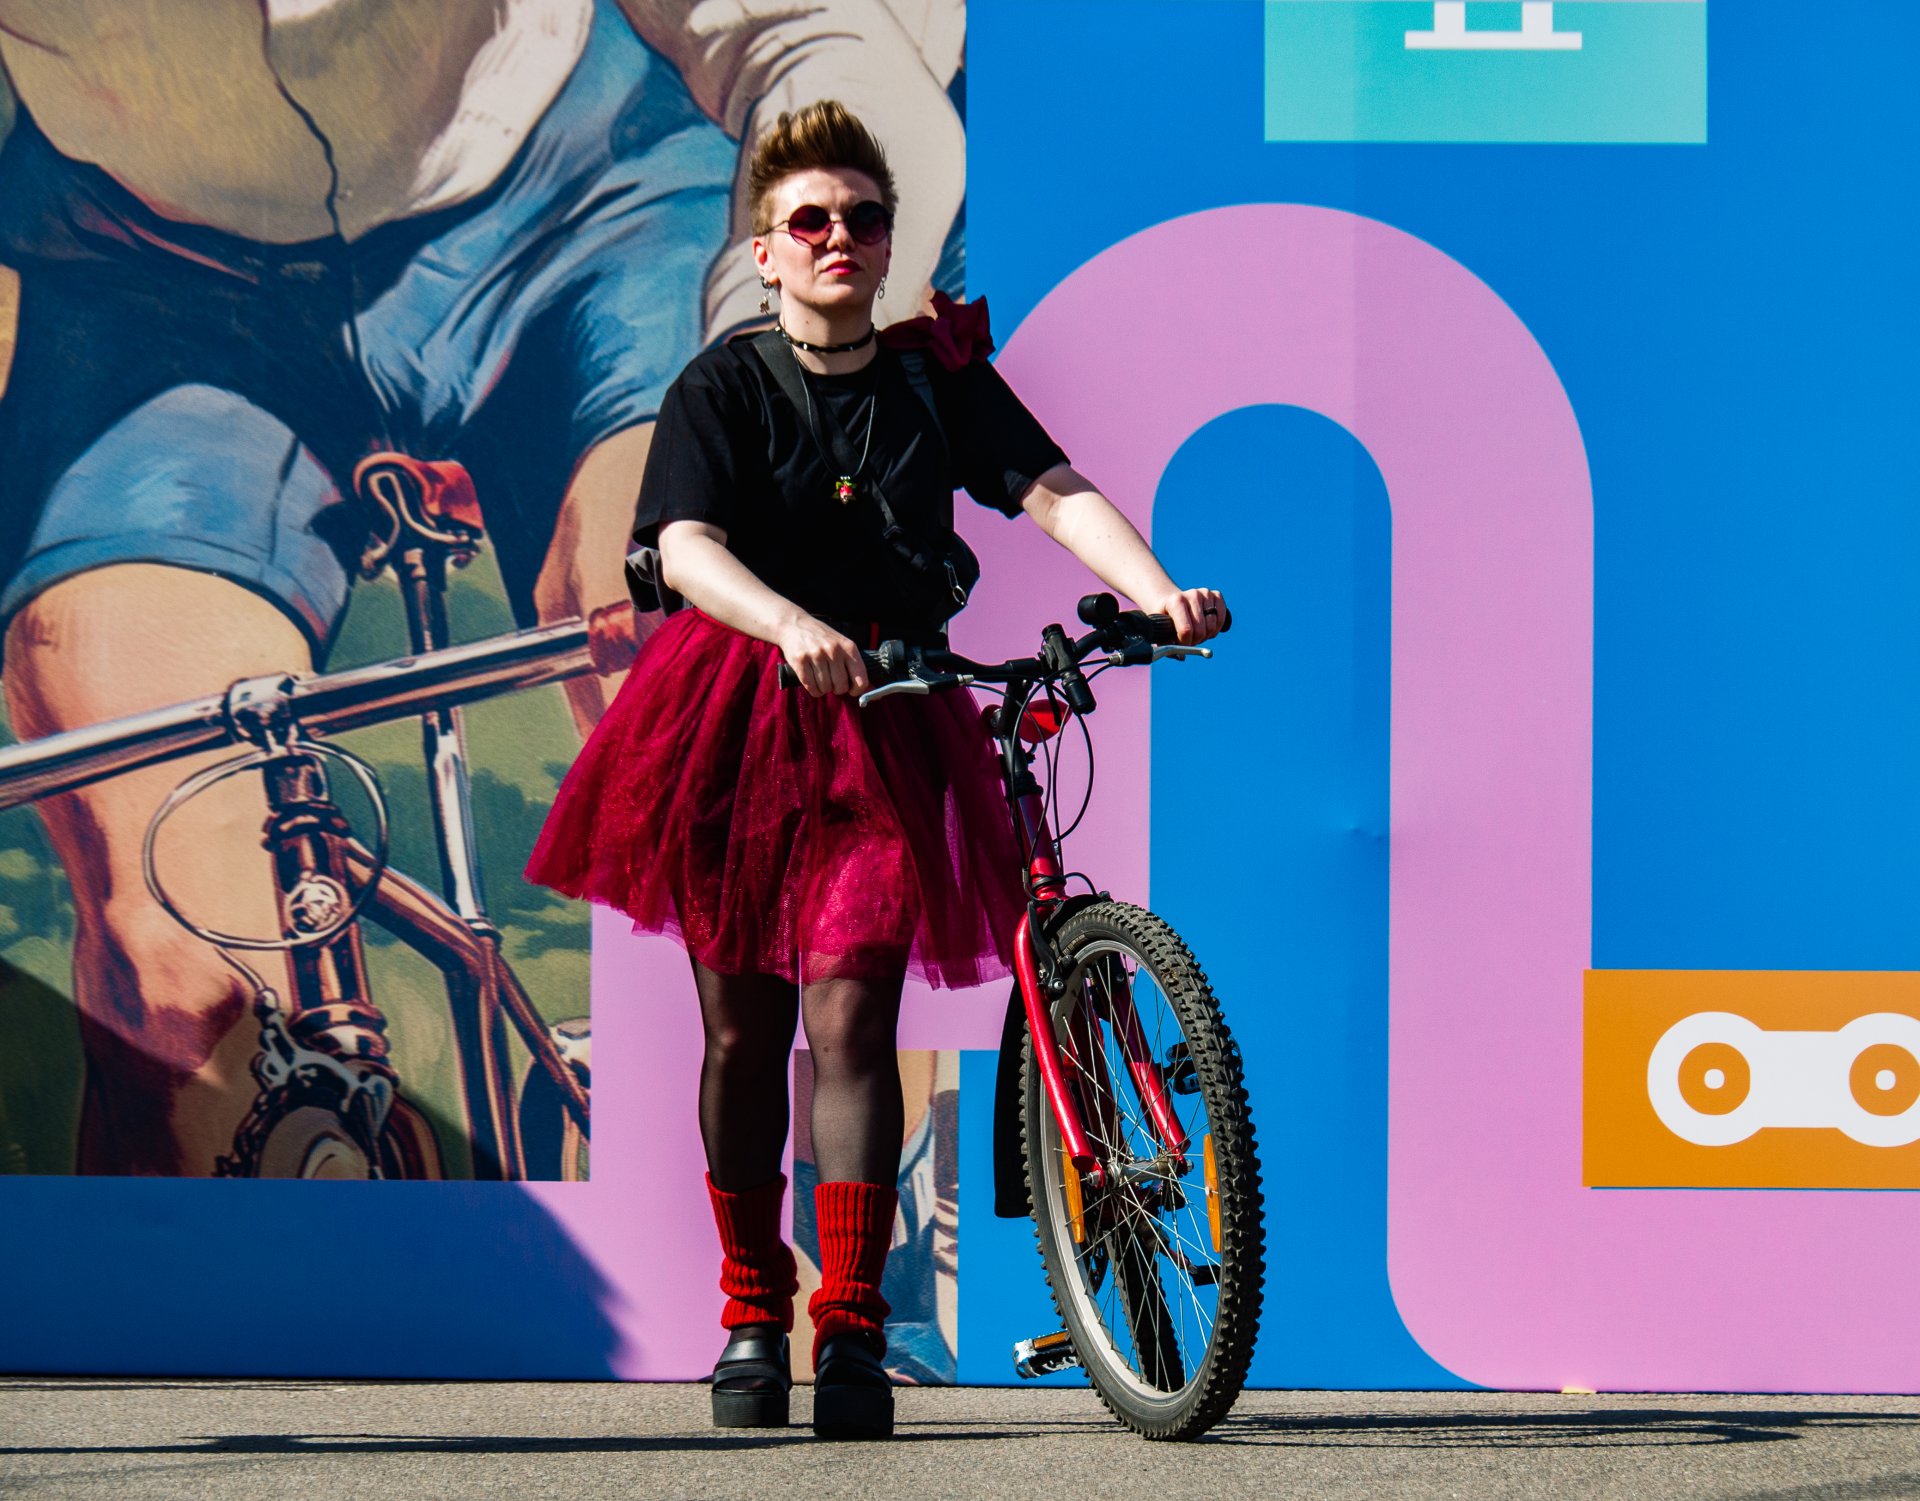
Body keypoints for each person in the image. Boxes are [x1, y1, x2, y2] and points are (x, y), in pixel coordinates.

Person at [0, 0, 967, 1176]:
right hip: (150, 272)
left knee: (709, 699)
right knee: (175, 978)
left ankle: (863, 1208)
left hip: (589, 196)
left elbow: (806, 28)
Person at [524, 100, 1228, 1439]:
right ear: (766, 253)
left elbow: (1048, 483)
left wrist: (1155, 588)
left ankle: (847, 1326)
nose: (839, 237)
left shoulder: (932, 377)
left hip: (896, 716)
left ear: (889, 242)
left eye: (862, 219)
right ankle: (749, 1307)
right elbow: (680, 545)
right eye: (811, 222)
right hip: (734, 718)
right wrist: (789, 624)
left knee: (851, 1022)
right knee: (746, 1033)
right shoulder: (722, 386)